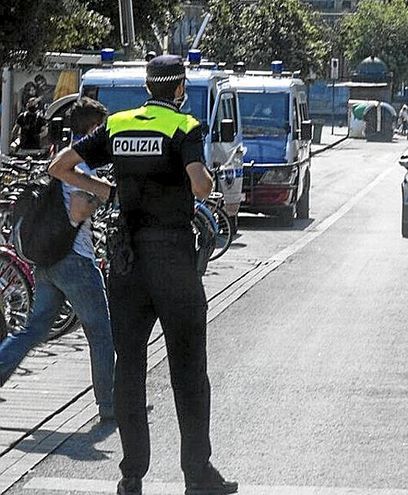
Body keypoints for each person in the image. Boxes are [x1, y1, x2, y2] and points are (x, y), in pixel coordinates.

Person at [48, 55, 237, 495]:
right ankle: (197, 474)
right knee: (188, 369)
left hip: (127, 262)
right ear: (178, 88)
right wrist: (205, 176)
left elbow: (60, 164)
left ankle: (131, 474)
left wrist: (105, 189)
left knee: (129, 367)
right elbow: (199, 185)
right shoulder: (184, 127)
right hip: (172, 258)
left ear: (148, 86)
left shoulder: (118, 125)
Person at [0, 97, 115, 421]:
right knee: (101, 332)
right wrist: (104, 193)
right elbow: (80, 208)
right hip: (74, 260)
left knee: (33, 330)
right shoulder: (83, 163)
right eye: (101, 129)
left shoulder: (64, 155)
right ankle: (110, 405)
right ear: (93, 129)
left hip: (48, 261)